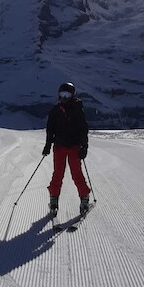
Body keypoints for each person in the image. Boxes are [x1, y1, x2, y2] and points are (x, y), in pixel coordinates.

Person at [42, 82, 91, 216]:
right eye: (62, 94)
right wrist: (48, 144)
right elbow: (50, 129)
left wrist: (84, 146)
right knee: (58, 174)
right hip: (59, 147)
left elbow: (83, 129)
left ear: (72, 95)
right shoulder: (55, 111)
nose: (64, 97)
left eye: (67, 95)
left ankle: (84, 197)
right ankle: (54, 199)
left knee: (76, 174)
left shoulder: (77, 109)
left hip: (74, 147)